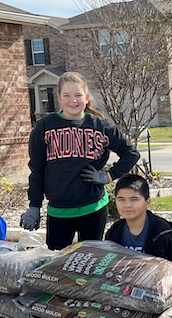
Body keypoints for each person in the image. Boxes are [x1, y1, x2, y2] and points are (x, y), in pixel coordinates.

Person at [21, 71, 140, 250]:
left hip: (93, 208)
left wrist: (108, 176)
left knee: (90, 261)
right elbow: (37, 169)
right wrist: (34, 206)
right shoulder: (45, 126)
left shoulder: (101, 126)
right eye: (67, 95)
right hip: (58, 210)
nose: (73, 100)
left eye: (78, 95)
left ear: (86, 97)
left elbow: (131, 153)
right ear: (59, 98)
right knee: (58, 264)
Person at [104, 174, 172, 265]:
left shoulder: (163, 233)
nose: (127, 205)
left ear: (147, 202)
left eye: (134, 199)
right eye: (121, 199)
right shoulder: (114, 231)